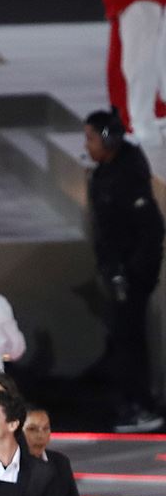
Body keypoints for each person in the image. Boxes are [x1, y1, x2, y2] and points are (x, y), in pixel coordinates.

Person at [84, 108, 166, 431]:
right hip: (117, 273)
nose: (87, 145)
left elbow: (150, 230)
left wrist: (130, 274)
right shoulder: (104, 174)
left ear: (108, 139)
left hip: (134, 277)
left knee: (131, 340)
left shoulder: (129, 173)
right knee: (122, 340)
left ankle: (141, 405)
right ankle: (130, 400)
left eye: (91, 138)